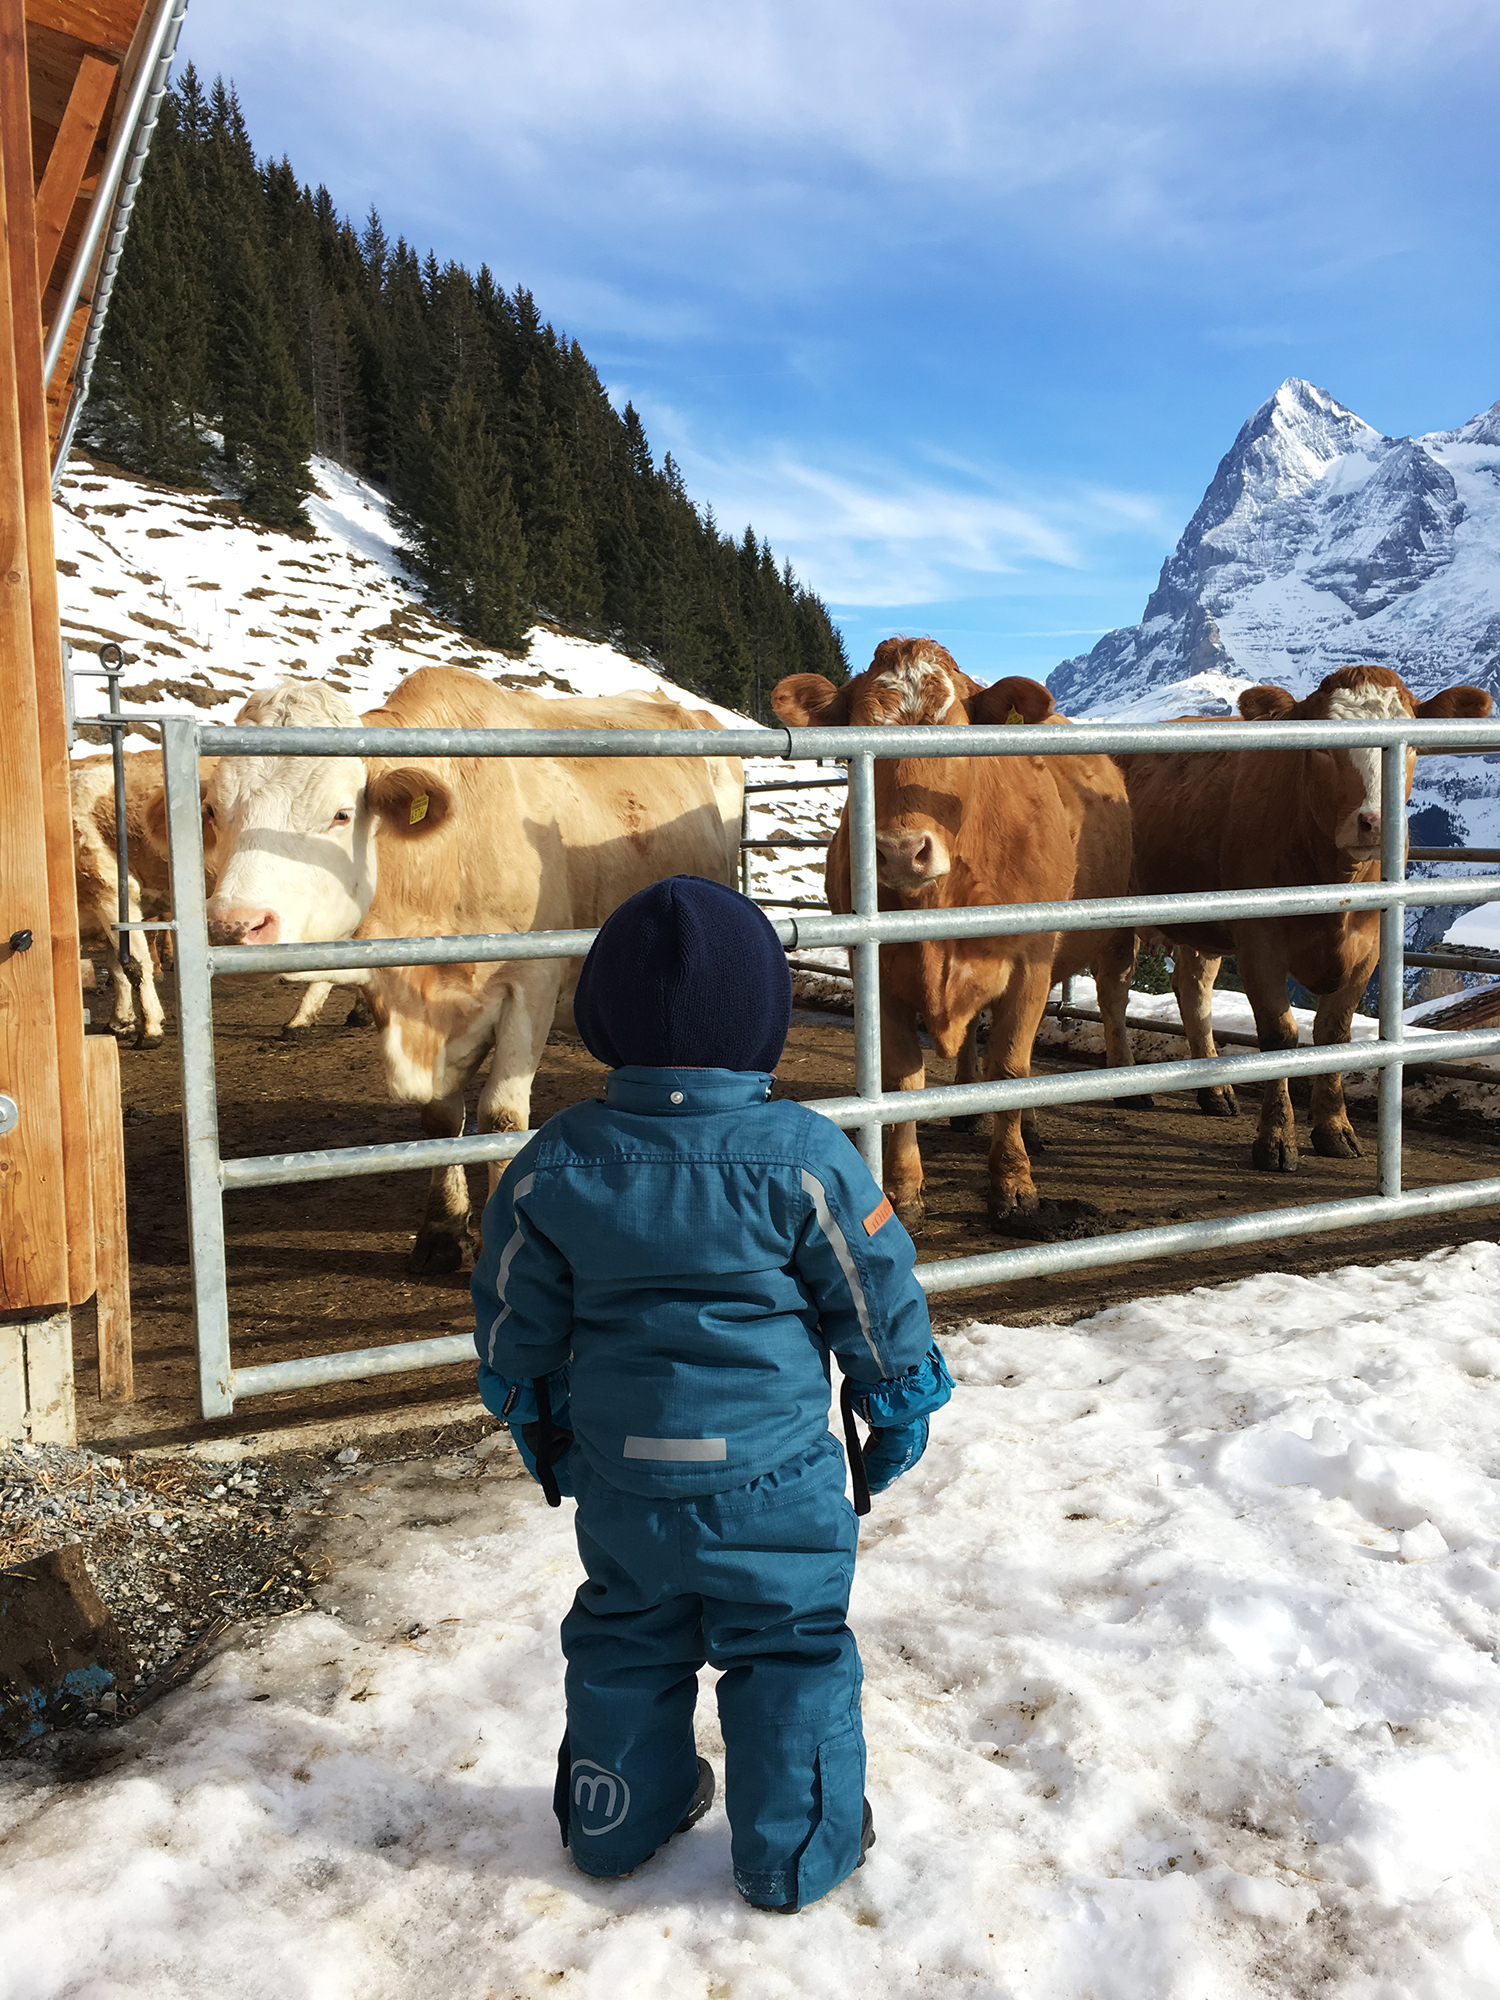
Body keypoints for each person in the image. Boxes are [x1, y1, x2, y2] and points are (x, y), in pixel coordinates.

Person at [471, 874, 951, 1913]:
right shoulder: (805, 1157)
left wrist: (530, 1413)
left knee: (626, 1632)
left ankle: (613, 1819)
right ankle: (794, 1850)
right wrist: (899, 1396)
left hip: (622, 1473)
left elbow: (516, 1314)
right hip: (774, 1477)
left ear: (602, 1015)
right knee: (788, 1644)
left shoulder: (556, 1163)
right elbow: (873, 1295)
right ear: (763, 1022)